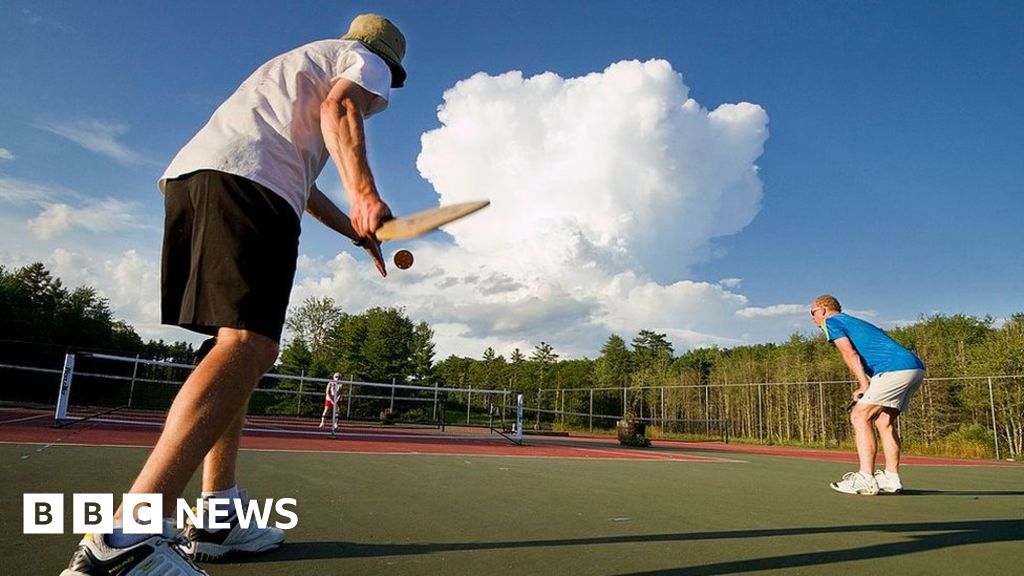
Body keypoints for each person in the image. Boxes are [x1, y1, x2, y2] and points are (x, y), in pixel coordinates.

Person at [60, 13, 407, 575]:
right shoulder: (362, 61)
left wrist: (352, 227)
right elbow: (341, 107)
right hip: (249, 187)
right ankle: (126, 539)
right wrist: (366, 193)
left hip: (196, 182)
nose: (374, 98)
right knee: (250, 345)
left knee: (233, 351)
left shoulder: (295, 74)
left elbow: (306, 184)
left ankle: (219, 517)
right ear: (386, 65)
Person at [810, 294, 926, 496]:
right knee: (884, 422)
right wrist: (870, 383)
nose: (812, 318)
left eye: (813, 313)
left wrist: (863, 385)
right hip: (914, 368)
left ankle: (865, 478)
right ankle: (891, 478)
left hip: (894, 370)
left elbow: (850, 354)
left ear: (823, 310)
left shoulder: (832, 321)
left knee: (859, 416)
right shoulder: (852, 321)